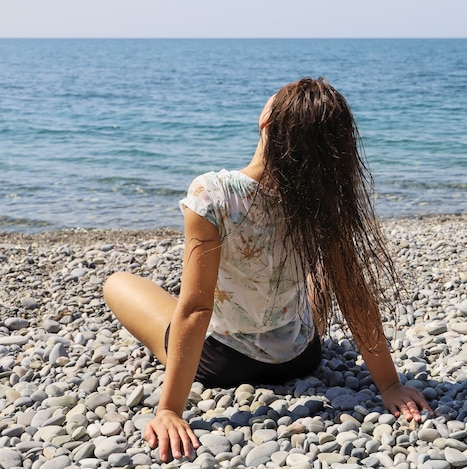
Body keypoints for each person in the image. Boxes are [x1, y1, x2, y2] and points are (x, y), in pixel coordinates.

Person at [103, 77, 433, 462]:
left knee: (118, 282)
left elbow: (196, 309)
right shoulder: (323, 201)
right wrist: (390, 386)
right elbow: (353, 296)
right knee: (324, 276)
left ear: (266, 120)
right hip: (300, 356)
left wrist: (169, 411)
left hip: (220, 361)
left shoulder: (213, 194)